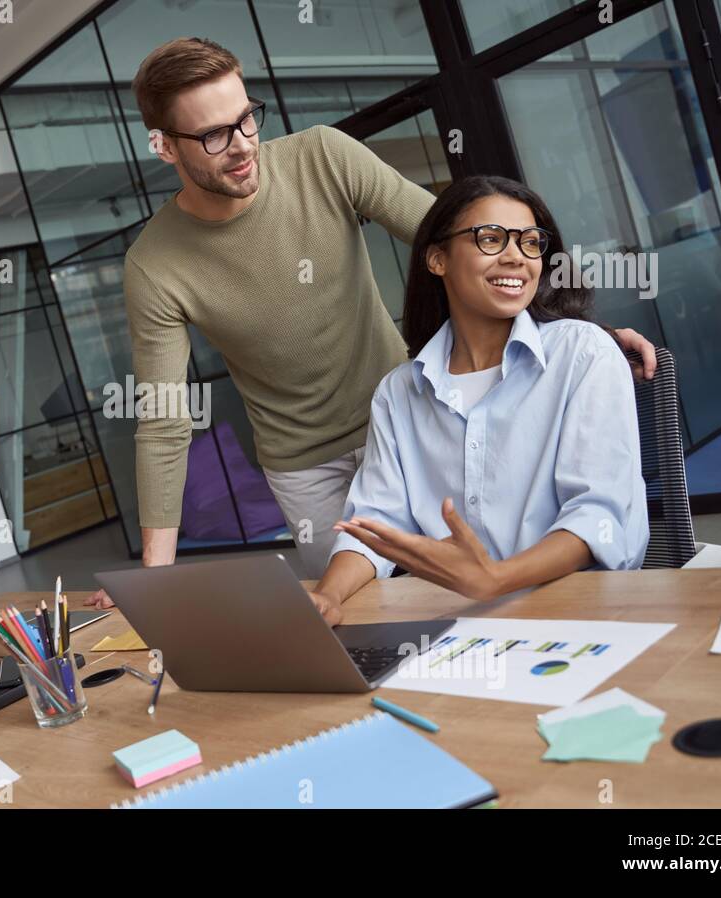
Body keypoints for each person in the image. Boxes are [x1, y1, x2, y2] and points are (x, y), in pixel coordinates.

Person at [86, 37, 656, 607]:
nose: (242, 147)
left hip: (413, 418)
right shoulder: (154, 263)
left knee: (468, 588)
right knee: (360, 609)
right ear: (164, 147)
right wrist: (153, 575)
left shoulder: (323, 158)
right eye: (213, 135)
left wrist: (575, 334)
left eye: (246, 120)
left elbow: (453, 242)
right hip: (303, 463)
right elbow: (163, 423)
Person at [305, 175, 649, 626]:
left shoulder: (583, 354)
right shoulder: (399, 393)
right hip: (460, 619)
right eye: (490, 238)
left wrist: (496, 578)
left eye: (530, 243)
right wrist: (328, 596)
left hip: (579, 610)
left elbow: (596, 513)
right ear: (437, 258)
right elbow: (376, 522)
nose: (516, 257)